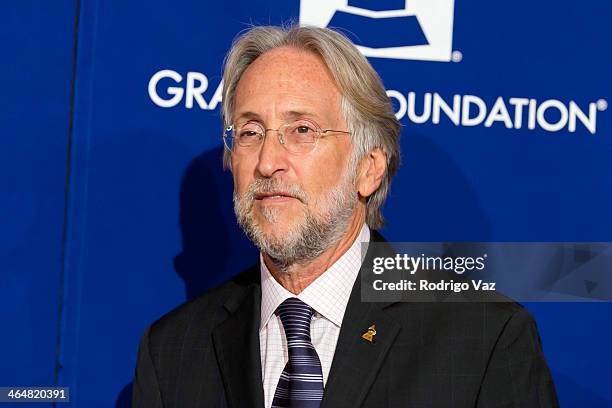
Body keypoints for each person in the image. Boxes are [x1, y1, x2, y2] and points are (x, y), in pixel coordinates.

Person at [132, 25, 558, 407]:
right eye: (250, 132)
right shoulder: (173, 349)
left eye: (302, 131)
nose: (267, 162)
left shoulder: (481, 337)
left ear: (369, 167)